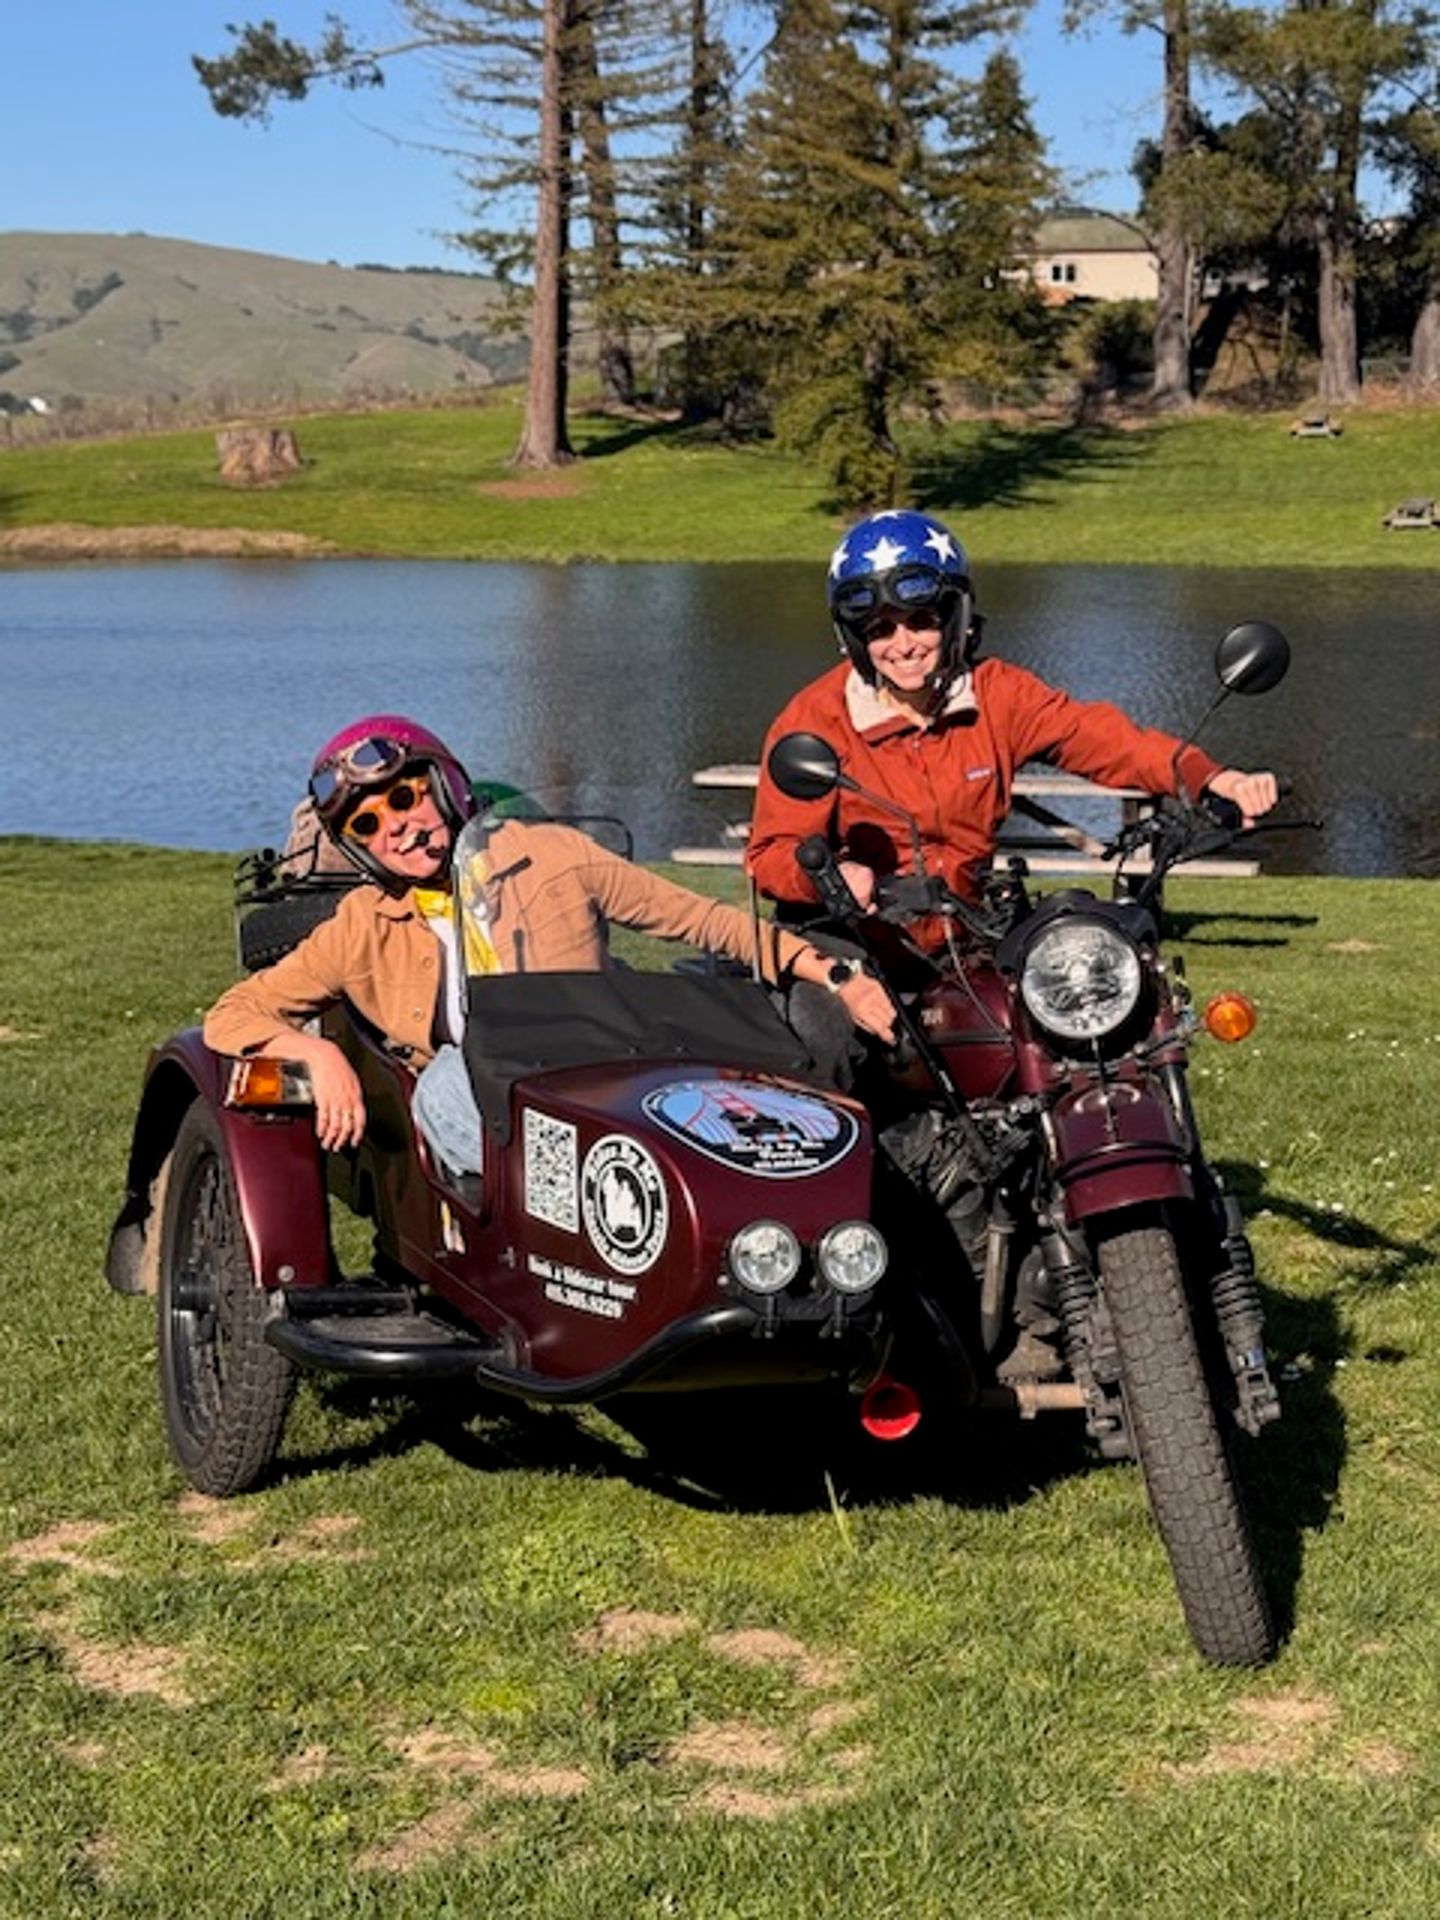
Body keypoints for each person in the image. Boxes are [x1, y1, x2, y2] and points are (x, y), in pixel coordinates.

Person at [204, 715, 896, 1172]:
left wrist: (836, 975)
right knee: (446, 1084)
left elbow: (710, 924)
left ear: (443, 785)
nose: (398, 828)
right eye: (368, 823)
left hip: (594, 1069)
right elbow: (233, 1015)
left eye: (407, 797)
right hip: (482, 1098)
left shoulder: (553, 855)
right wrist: (315, 1052)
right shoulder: (362, 923)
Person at [747, 509, 1279, 922]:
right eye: (880, 630)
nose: (903, 644)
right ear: (856, 639)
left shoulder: (997, 695)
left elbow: (1105, 740)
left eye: (920, 622)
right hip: (853, 940)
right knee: (830, 1044)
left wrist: (1212, 778)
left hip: (969, 930)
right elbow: (771, 852)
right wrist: (834, 876)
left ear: (954, 621)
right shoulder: (816, 719)